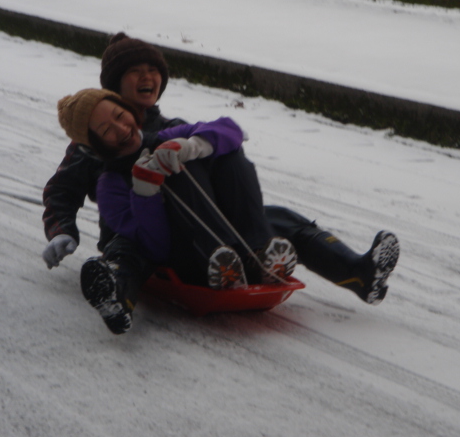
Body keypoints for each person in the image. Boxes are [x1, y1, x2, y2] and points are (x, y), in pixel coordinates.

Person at [42, 33, 400, 334]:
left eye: (152, 70)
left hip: (205, 224)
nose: (146, 77)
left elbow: (227, 135)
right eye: (134, 72)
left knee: (280, 218)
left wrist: (196, 147)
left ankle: (359, 273)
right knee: (128, 255)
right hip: (135, 232)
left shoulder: (169, 128)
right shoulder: (90, 147)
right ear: (114, 87)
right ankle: (116, 295)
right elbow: (62, 190)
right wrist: (62, 230)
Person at [55, 88, 298, 332]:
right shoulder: (111, 187)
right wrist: (145, 191)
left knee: (228, 154)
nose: (121, 128)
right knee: (177, 171)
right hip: (192, 259)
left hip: (238, 241)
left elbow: (232, 130)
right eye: (106, 130)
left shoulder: (164, 136)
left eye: (119, 116)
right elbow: (155, 247)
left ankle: (257, 253)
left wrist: (193, 146)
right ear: (95, 145)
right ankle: (220, 260)